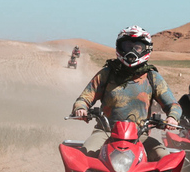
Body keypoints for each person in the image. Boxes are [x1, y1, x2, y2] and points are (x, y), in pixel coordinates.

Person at [72, 25, 181, 160]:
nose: (132, 52)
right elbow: (84, 98)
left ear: (146, 49)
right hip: (106, 132)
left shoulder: (152, 77)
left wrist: (173, 118)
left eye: (137, 47)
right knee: (84, 157)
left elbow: (173, 105)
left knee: (163, 158)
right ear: (120, 47)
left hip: (139, 135)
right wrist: (81, 108)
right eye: (128, 46)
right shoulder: (106, 74)